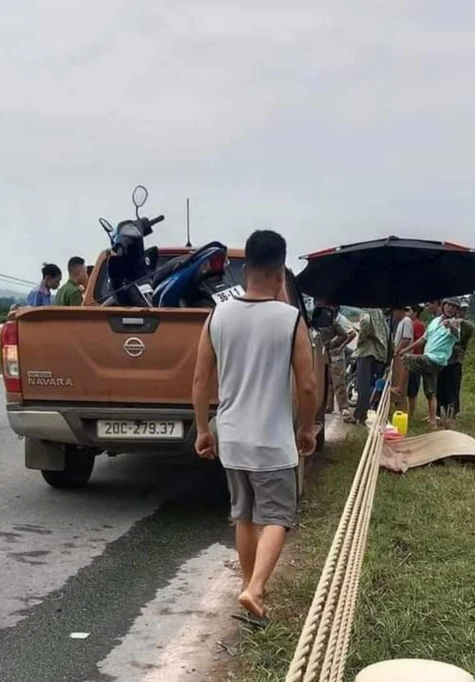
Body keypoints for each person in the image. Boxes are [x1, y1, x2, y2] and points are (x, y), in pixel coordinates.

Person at [192, 230, 317, 623]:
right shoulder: (290, 319)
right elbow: (308, 383)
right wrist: (308, 428)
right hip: (272, 441)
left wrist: (202, 429)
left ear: (245, 268)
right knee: (278, 518)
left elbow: (199, 381)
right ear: (281, 270)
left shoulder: (218, 315)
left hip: (231, 438)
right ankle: (257, 588)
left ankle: (249, 591)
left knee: (244, 516)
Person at [398, 297, 462, 427]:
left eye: (454, 307)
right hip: (429, 359)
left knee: (406, 360)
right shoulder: (435, 321)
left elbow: (457, 335)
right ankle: (433, 422)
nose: (450, 308)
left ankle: (399, 388)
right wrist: (407, 348)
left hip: (435, 360)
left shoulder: (455, 323)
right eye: (448, 305)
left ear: (456, 310)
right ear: (443, 306)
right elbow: (423, 339)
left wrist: (451, 326)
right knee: (431, 392)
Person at [344, 307, 388, 424]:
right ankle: (364, 413)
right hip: (379, 353)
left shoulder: (367, 312)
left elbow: (366, 322)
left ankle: (361, 416)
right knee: (371, 385)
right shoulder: (379, 312)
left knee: (363, 385)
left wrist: (360, 340)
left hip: (366, 351)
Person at [436, 301, 475, 427]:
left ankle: (451, 416)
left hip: (455, 361)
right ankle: (438, 415)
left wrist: (460, 321)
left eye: (462, 309)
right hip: (441, 360)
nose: (460, 312)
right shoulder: (442, 320)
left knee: (452, 389)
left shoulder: (464, 325)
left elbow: (471, 329)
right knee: (439, 388)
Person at [316, 302, 356, 416]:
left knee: (339, 383)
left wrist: (336, 345)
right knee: (328, 382)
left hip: (336, 355)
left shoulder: (337, 321)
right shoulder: (323, 321)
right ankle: (328, 406)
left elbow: (348, 334)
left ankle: (343, 408)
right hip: (326, 356)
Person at [389, 307, 415, 413]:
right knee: (395, 385)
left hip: (403, 357)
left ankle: (403, 412)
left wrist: (397, 351)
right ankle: (398, 411)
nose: (393, 315)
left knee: (401, 389)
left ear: (400, 310)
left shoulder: (407, 321)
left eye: (394, 311)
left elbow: (406, 339)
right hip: (398, 357)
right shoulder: (399, 323)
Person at [406, 305, 426, 417]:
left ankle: (411, 413)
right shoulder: (411, 323)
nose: (407, 313)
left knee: (412, 389)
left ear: (416, 312)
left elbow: (419, 343)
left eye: (409, 310)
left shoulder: (417, 325)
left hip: (415, 359)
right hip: (412, 358)